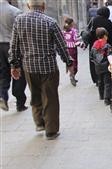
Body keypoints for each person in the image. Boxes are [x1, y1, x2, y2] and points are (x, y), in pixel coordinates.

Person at [9, 0, 73, 139]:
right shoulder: (50, 22)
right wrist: (68, 62)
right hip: (48, 67)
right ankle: (51, 131)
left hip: (29, 67)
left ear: (28, 6)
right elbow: (61, 45)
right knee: (50, 98)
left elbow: (14, 45)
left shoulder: (19, 21)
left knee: (35, 94)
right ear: (43, 6)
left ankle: (39, 123)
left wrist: (14, 65)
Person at [0, 0, 27, 112]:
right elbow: (21, 32)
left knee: (2, 73)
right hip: (12, 45)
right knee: (18, 72)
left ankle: (2, 95)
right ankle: (20, 103)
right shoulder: (15, 12)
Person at [89, 6, 112, 84]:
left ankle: (97, 80)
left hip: (94, 45)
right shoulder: (108, 22)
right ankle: (105, 79)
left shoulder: (93, 20)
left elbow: (89, 31)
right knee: (105, 61)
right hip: (104, 46)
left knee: (95, 62)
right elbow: (111, 35)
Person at [90, 27, 112, 106]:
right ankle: (107, 99)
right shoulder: (107, 45)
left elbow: (91, 57)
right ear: (104, 36)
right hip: (106, 66)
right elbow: (109, 56)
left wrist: (96, 62)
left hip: (97, 67)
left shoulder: (94, 45)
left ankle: (101, 95)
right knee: (107, 82)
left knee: (100, 81)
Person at [62, 17, 81, 86]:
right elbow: (76, 41)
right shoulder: (74, 31)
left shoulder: (63, 31)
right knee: (75, 63)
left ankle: (72, 75)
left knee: (70, 63)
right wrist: (83, 45)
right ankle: (72, 75)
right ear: (71, 23)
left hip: (66, 49)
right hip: (73, 49)